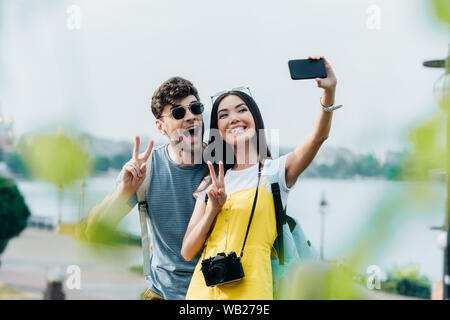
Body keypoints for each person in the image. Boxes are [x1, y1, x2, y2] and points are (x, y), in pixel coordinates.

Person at [181, 56, 339, 299]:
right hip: (204, 292)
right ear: (218, 130)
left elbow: (318, 138)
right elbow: (188, 251)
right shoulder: (211, 182)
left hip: (253, 292)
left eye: (241, 110)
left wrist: (329, 92)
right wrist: (212, 208)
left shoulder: (275, 173)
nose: (233, 118)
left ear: (255, 119)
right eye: (223, 115)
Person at [86, 77, 206, 300]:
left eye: (195, 108)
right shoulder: (147, 170)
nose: (191, 116)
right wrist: (124, 190)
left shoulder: (223, 164)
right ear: (161, 127)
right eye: (178, 113)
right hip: (163, 294)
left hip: (215, 295)